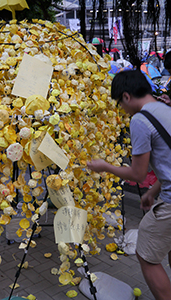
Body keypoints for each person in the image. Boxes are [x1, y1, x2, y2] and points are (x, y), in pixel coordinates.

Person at [87, 69, 171, 300]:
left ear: (126, 96)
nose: (122, 110)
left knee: (146, 257)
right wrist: (154, 191)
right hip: (166, 192)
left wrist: (105, 166)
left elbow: (137, 174)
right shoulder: (166, 109)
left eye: (119, 104)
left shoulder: (140, 120)